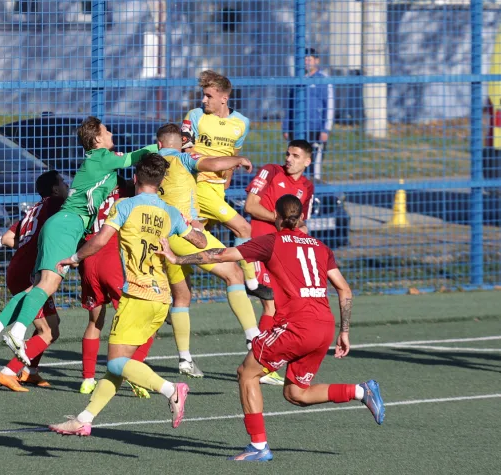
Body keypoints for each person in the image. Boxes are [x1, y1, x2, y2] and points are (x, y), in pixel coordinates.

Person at [156, 195, 385, 461]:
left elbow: (223, 254)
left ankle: (258, 446)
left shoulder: (272, 241)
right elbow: (344, 289)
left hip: (297, 326)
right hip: (324, 327)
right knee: (295, 393)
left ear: (275, 216)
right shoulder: (321, 247)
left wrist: (176, 258)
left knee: (247, 373)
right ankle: (361, 390)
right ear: (301, 218)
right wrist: (344, 331)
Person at [0, 116, 159, 364]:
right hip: (67, 224)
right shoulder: (101, 157)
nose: (111, 135)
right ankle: (17, 331)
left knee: (37, 288)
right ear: (97, 139)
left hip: (63, 225)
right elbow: (133, 158)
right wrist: (164, 147)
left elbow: (125, 180)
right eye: (107, 131)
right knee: (47, 285)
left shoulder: (101, 167)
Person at [48, 154, 207, 437]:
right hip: (161, 300)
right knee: (117, 368)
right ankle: (85, 419)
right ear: (160, 183)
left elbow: (99, 240)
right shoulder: (170, 212)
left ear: (135, 178)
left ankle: (172, 389)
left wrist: (73, 257)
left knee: (116, 363)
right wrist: (191, 226)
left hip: (137, 296)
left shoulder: (125, 206)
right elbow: (201, 242)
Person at [155, 124, 261, 378]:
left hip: (162, 236)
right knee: (233, 274)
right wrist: (238, 158)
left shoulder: (150, 160)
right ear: (180, 143)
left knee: (182, 297)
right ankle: (253, 338)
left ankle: (184, 359)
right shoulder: (182, 158)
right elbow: (212, 164)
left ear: (159, 144)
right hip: (185, 234)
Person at [182, 70, 264, 298]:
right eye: (203, 95)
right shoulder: (195, 116)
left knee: (191, 244)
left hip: (216, 190)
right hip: (198, 187)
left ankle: (175, 297)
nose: (203, 100)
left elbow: (231, 154)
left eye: (208, 96)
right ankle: (252, 282)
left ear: (223, 98)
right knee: (244, 228)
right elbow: (187, 153)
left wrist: (226, 178)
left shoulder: (241, 123)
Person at [78, 175, 154, 398]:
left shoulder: (88, 190)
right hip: (112, 256)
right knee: (144, 321)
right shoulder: (130, 194)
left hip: (89, 256)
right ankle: (134, 373)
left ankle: (87, 379)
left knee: (94, 321)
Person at [0, 171, 68, 392]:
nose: (66, 186)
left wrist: (28, 244)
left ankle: (30, 371)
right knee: (48, 331)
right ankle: (9, 372)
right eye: (63, 183)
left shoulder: (32, 210)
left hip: (20, 267)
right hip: (30, 273)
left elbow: (6, 238)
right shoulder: (55, 203)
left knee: (52, 326)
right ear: (55, 190)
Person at [244, 140, 315, 336]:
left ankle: (262, 356)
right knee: (270, 303)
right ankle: (259, 356)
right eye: (288, 154)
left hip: (283, 251)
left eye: (295, 156)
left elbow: (302, 223)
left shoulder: (307, 186)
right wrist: (280, 219)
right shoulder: (271, 171)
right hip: (260, 246)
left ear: (307, 162)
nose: (288, 159)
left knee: (281, 309)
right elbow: (250, 206)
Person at [284, 48, 334, 180]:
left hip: (315, 129)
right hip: (297, 128)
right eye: (304, 60)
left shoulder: (323, 80)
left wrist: (325, 129)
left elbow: (329, 107)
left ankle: (314, 188)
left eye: (309, 59)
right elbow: (289, 106)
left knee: (313, 164)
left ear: (317, 61)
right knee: (295, 163)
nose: (306, 62)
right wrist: (286, 127)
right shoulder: (296, 79)